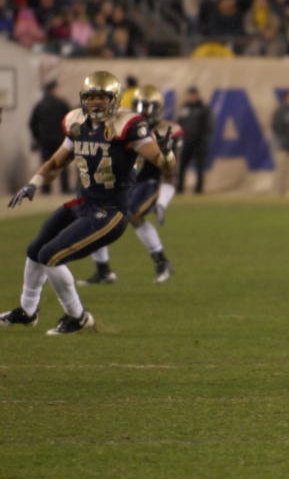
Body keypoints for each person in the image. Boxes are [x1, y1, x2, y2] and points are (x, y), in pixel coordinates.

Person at [2, 71, 177, 335]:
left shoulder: (127, 126)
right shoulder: (76, 122)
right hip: (83, 202)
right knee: (35, 249)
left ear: (114, 100)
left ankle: (77, 316)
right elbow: (56, 163)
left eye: (102, 97)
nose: (95, 103)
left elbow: (163, 164)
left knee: (50, 256)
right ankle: (27, 311)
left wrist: (167, 154)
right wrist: (33, 184)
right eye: (91, 97)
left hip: (111, 211)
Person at [79, 85, 183, 285]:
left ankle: (162, 262)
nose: (144, 111)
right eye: (140, 105)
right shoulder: (126, 124)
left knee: (134, 215)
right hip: (123, 181)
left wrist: (162, 202)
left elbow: (170, 174)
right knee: (96, 213)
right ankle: (103, 271)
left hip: (148, 181)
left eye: (150, 107)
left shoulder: (166, 130)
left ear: (159, 108)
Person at [29, 80, 72, 195]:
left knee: (46, 164)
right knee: (62, 164)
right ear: (53, 90)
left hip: (45, 140)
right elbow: (72, 119)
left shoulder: (40, 105)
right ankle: (65, 189)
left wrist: (38, 137)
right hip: (60, 139)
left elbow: (32, 123)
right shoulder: (61, 103)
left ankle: (45, 190)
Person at [177, 86, 213, 194]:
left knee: (199, 167)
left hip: (199, 143)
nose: (191, 97)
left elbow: (208, 126)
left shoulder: (203, 109)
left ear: (197, 95)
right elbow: (179, 124)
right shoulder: (184, 108)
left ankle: (199, 189)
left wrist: (204, 141)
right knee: (182, 165)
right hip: (187, 142)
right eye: (190, 95)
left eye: (193, 95)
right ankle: (180, 188)